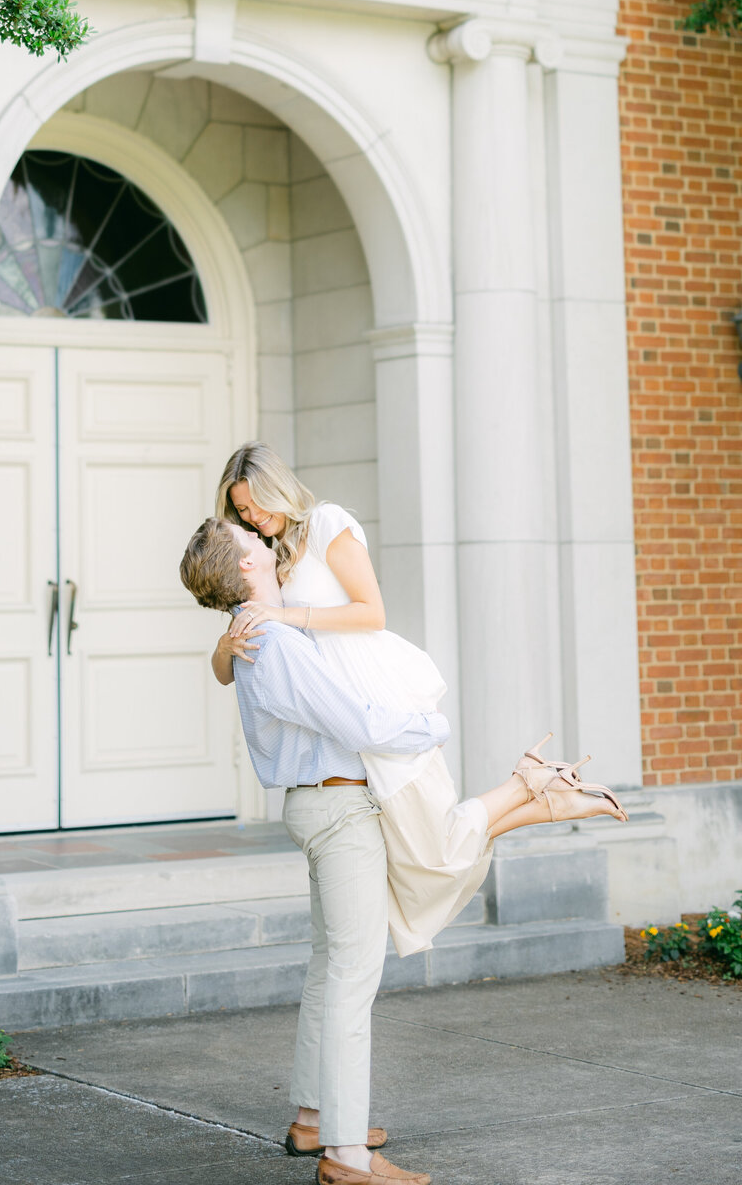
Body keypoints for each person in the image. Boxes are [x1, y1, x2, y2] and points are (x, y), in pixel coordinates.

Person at [212, 443, 627, 957]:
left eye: (256, 504)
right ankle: (539, 790)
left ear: (279, 487)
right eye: (243, 512)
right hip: (345, 717)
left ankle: (534, 787)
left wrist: (287, 618)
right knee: (421, 855)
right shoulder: (271, 556)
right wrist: (226, 644)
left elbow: (372, 613)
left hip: (377, 696)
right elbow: (228, 674)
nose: (253, 517)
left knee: (431, 849)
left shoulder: (326, 523)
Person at [180, 515, 441, 1185]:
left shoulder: (251, 633)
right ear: (244, 567)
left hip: (314, 803)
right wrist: (429, 723)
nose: (264, 542)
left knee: (331, 970)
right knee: (354, 978)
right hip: (340, 807)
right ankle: (348, 1155)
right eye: (253, 542)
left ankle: (313, 1119)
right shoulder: (273, 638)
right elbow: (354, 719)